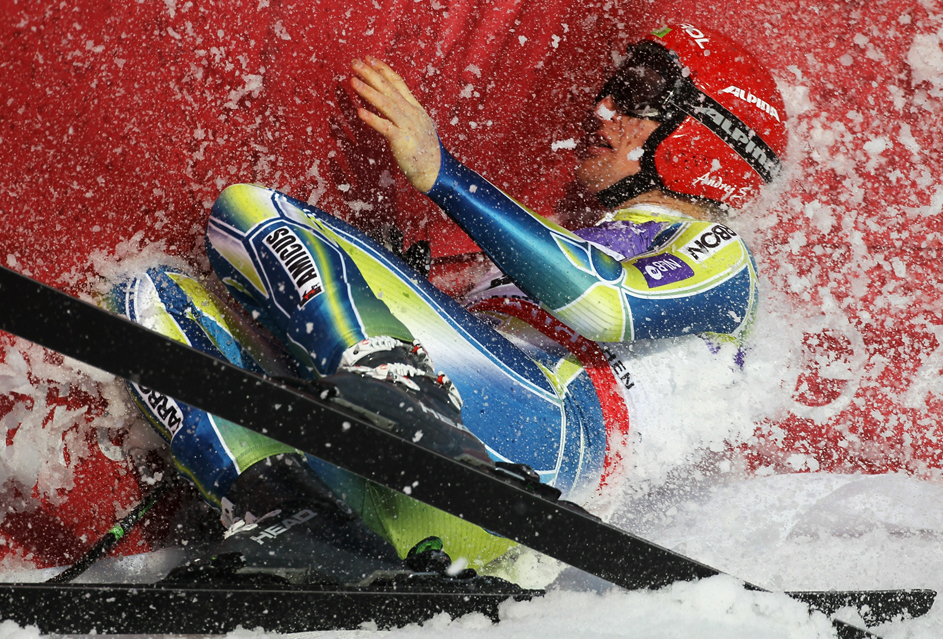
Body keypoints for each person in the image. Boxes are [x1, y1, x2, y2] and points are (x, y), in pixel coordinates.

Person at [110, 21, 787, 585]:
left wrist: (443, 172)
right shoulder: (560, 244)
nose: (603, 109)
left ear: (707, 135)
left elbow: (606, 303)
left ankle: (405, 402)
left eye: (637, 94)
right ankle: (291, 515)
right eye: (611, 89)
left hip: (537, 450)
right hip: (423, 499)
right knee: (147, 296)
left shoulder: (723, 255)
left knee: (251, 214)